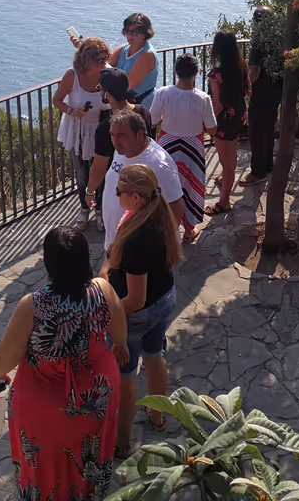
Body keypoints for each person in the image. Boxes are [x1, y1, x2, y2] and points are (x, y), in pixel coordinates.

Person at [0, 227, 129, 500]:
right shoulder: (103, 290)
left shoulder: (33, 305)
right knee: (92, 452)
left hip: (47, 403)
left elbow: (4, 358)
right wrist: (118, 346)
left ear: (49, 263)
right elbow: (119, 332)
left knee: (46, 461)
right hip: (97, 395)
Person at [99, 165, 182, 455]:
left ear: (135, 198)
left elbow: (134, 299)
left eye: (119, 191)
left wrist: (103, 315)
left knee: (125, 375)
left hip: (138, 313)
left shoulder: (137, 238)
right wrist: (105, 274)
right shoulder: (155, 215)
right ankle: (157, 416)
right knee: (155, 354)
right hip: (164, 299)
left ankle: (122, 444)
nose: (115, 194)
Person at [149, 53, 217, 241]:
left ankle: (164, 226)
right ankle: (189, 229)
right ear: (196, 73)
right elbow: (212, 129)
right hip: (193, 146)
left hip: (167, 145)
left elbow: (152, 121)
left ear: (177, 72)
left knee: (164, 185)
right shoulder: (203, 98)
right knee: (191, 186)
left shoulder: (163, 92)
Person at [82, 68, 152, 239]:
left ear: (107, 95)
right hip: (144, 182)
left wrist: (89, 192)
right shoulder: (143, 112)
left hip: (120, 190)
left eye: (101, 89)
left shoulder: (107, 128)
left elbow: (99, 167)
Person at [101, 110, 184, 253]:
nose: (115, 141)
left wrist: (161, 248)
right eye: (112, 135)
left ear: (140, 135)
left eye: (121, 135)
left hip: (141, 251)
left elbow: (175, 204)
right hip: (116, 244)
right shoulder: (122, 151)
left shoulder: (159, 165)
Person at [53, 37, 112, 231]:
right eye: (100, 60)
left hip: (101, 130)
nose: (104, 63)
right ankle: (85, 209)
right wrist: (71, 111)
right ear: (87, 60)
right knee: (81, 173)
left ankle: (101, 210)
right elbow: (57, 100)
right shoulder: (73, 75)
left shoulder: (108, 74)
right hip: (78, 130)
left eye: (106, 58)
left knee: (103, 171)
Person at [206, 30, 250, 215]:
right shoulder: (242, 66)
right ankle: (226, 180)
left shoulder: (215, 74)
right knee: (230, 155)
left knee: (228, 161)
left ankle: (224, 202)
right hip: (239, 114)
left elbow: (216, 104)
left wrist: (208, 124)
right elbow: (248, 90)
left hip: (224, 119)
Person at [240, 7, 283, 187]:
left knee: (256, 133)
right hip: (275, 93)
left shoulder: (258, 42)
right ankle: (268, 165)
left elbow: (254, 73)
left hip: (261, 95)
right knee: (268, 130)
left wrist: (245, 84)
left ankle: (258, 172)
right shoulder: (279, 40)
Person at [109, 13, 159, 106]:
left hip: (142, 105)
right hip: (123, 104)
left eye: (135, 32)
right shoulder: (122, 50)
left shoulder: (146, 55)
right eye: (128, 31)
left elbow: (129, 85)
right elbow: (103, 69)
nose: (130, 35)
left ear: (145, 34)